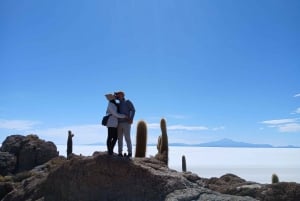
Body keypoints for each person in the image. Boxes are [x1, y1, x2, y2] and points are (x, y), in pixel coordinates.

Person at [114, 91, 135, 157]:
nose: (117, 96)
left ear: (122, 95)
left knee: (127, 138)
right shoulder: (118, 104)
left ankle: (130, 153)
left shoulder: (127, 102)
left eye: (118, 94)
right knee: (120, 138)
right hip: (119, 123)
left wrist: (131, 118)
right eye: (117, 95)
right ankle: (120, 153)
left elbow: (133, 110)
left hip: (126, 123)